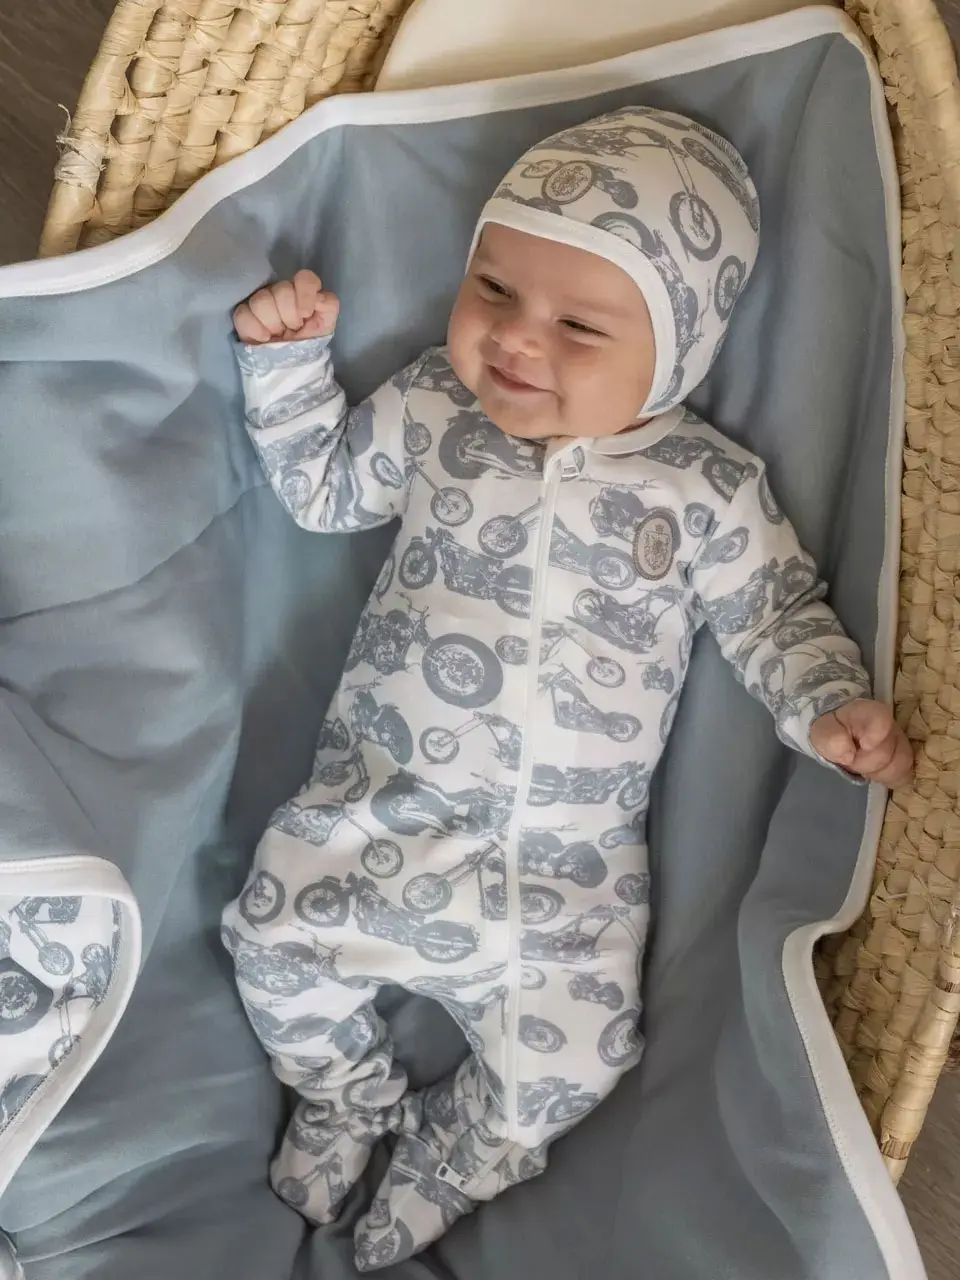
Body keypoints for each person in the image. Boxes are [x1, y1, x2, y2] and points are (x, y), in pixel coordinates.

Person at [222, 106, 912, 1271]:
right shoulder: (436, 405)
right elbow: (326, 489)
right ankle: (345, 1092)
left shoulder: (704, 487)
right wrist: (286, 363)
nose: (514, 338)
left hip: (563, 878)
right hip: (376, 813)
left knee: (580, 1059)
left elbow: (772, 614)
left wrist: (826, 704)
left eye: (579, 324)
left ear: (678, 350)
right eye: (492, 288)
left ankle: (459, 1150)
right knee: (271, 942)